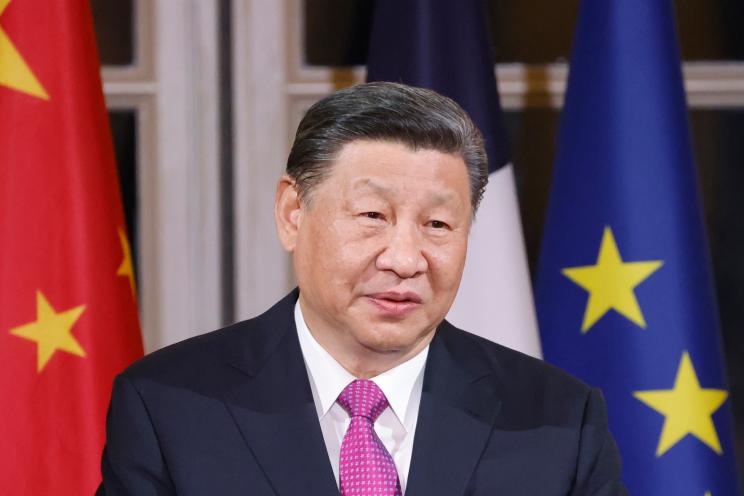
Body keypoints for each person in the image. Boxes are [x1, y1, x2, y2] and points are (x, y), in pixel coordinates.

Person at [98, 82, 626, 495]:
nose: (404, 259)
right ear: (292, 213)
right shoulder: (170, 407)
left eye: (438, 225)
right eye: (373, 215)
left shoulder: (557, 419)